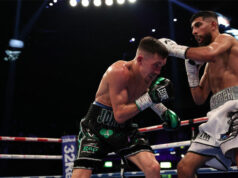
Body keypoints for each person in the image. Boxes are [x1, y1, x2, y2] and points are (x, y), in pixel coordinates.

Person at [71, 36, 180, 178]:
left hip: (124, 129)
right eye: (156, 65)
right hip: (96, 127)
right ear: (140, 60)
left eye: (161, 66)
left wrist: (164, 112)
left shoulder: (148, 76)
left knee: (153, 167)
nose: (158, 71)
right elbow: (120, 115)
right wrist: (150, 98)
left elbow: (146, 94)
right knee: (80, 176)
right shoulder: (118, 72)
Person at [159, 11, 238, 177]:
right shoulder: (209, 65)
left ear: (213, 25)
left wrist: (174, 49)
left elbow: (209, 52)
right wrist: (191, 71)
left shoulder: (226, 39)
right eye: (192, 28)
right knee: (184, 168)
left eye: (198, 25)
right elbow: (199, 98)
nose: (194, 31)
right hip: (216, 117)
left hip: (235, 108)